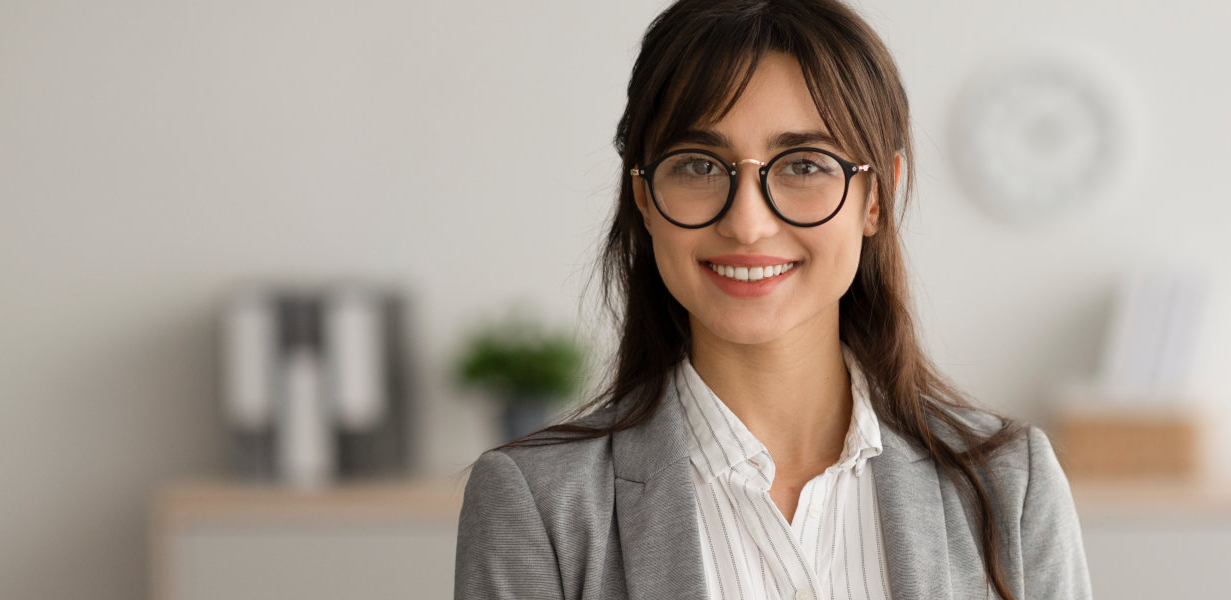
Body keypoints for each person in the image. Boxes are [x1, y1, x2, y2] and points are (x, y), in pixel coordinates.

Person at [453, 1, 1091, 598]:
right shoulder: (537, 502)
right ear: (644, 197)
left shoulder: (1010, 485)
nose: (749, 225)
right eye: (700, 165)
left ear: (877, 197)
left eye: (804, 164)